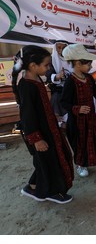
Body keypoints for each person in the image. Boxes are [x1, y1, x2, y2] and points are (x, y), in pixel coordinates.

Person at [12, 45, 74, 204]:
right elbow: (27, 115)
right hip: (39, 133)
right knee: (49, 162)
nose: (48, 68)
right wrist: (36, 139)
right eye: (46, 65)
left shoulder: (35, 79)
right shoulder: (26, 85)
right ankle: (50, 192)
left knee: (44, 161)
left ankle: (32, 187)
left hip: (48, 129)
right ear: (33, 66)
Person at [61, 44, 96, 178]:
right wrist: (77, 108)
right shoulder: (70, 81)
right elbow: (64, 102)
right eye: (87, 63)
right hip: (76, 121)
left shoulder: (88, 79)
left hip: (91, 118)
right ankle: (80, 164)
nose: (89, 66)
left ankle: (87, 161)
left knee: (90, 141)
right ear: (77, 63)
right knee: (79, 143)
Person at [46, 40, 72, 127]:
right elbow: (48, 75)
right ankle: (61, 121)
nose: (61, 50)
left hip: (71, 87)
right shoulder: (50, 60)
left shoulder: (71, 59)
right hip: (58, 88)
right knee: (57, 97)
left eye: (64, 48)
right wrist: (58, 76)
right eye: (59, 48)